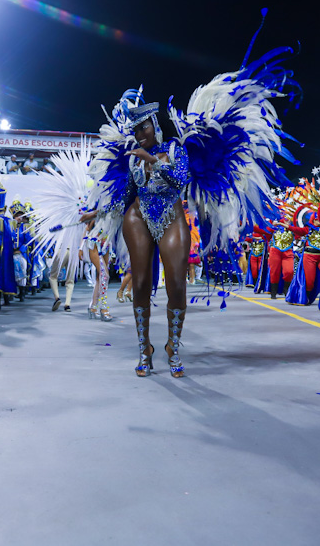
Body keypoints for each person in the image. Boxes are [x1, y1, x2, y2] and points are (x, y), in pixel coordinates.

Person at [81, 45, 300, 377]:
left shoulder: (174, 149)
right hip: (138, 218)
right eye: (136, 128)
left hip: (171, 217)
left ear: (155, 125)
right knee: (139, 282)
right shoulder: (131, 156)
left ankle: (172, 345)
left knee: (177, 287)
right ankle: (145, 348)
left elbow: (180, 177)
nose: (140, 133)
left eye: (145, 127)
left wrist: (152, 160)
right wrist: (98, 212)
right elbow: (126, 192)